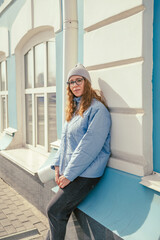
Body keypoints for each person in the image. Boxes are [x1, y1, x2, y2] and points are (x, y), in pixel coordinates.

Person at [46, 64, 111, 240]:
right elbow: (65, 140)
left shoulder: (98, 110)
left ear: (87, 82)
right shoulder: (74, 110)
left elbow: (88, 148)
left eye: (78, 80)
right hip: (72, 171)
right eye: (71, 82)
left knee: (54, 210)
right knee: (57, 213)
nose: (74, 85)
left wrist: (69, 174)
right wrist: (58, 166)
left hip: (87, 173)